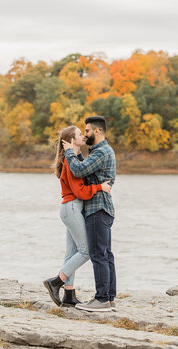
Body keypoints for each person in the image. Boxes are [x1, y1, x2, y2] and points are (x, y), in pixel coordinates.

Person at [43, 125, 111, 307]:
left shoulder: (74, 160)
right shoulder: (69, 162)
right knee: (87, 251)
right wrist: (100, 187)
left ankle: (69, 294)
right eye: (80, 134)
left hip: (71, 209)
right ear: (72, 140)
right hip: (72, 208)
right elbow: (80, 191)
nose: (83, 136)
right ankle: (56, 281)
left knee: (72, 252)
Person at [61, 115, 117, 312]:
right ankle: (109, 298)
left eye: (87, 131)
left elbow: (78, 170)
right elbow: (84, 171)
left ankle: (101, 299)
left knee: (98, 255)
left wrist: (69, 151)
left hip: (97, 208)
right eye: (82, 132)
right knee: (105, 254)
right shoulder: (98, 152)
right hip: (101, 208)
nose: (85, 135)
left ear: (97, 131)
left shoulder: (101, 152)